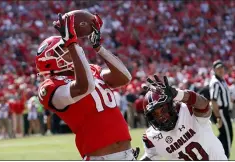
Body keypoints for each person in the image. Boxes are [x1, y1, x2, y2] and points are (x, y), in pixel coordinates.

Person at [35, 12, 139, 160]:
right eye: (64, 49)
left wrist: (98, 47)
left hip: (127, 154)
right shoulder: (49, 87)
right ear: (51, 59)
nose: (69, 50)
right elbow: (85, 87)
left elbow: (124, 77)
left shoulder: (91, 70)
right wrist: (72, 44)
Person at [140, 75, 227, 160]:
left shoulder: (187, 110)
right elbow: (150, 157)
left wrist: (178, 94)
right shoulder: (152, 137)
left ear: (171, 106)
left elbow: (204, 105)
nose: (161, 116)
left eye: (163, 110)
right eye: (155, 114)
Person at [209, 60, 233, 158]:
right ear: (214, 70)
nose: (220, 70)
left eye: (221, 68)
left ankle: (213, 153)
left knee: (224, 136)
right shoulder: (215, 82)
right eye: (218, 68)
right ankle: (224, 157)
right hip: (221, 112)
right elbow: (213, 101)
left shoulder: (222, 81)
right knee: (228, 136)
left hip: (225, 111)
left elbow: (225, 96)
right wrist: (218, 117)